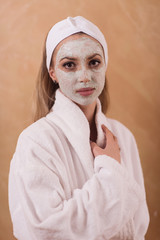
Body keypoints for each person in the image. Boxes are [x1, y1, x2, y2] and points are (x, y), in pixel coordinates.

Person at [8, 16, 149, 240]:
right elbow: (47, 230)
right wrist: (111, 171)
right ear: (52, 72)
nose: (84, 77)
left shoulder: (123, 136)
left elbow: (138, 224)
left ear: (105, 65)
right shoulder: (35, 141)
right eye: (69, 65)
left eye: (94, 62)